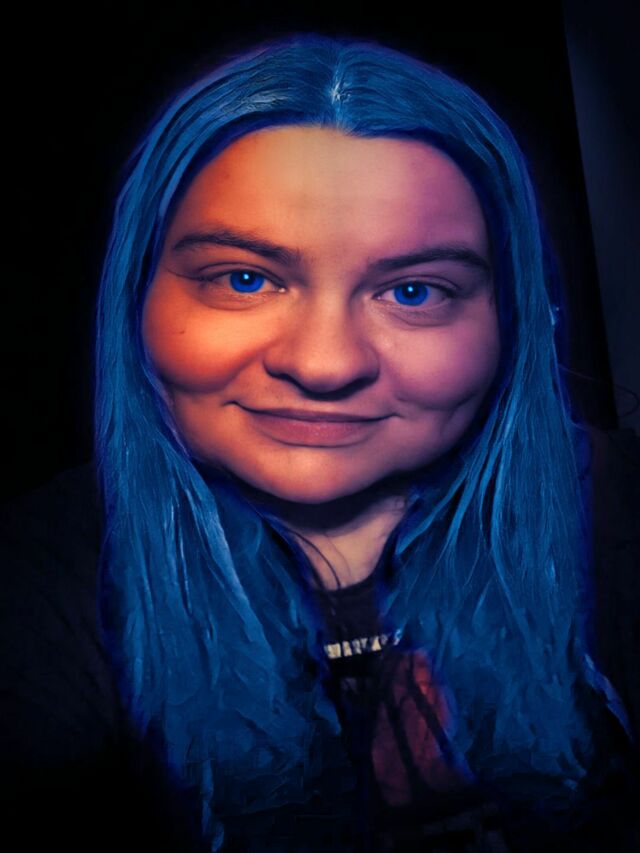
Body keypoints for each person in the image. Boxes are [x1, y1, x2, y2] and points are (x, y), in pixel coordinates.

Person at [2, 32, 638, 852]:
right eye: (245, 279)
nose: (324, 363)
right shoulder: (38, 587)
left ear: (511, 321)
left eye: (414, 291)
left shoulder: (621, 514)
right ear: (138, 302)